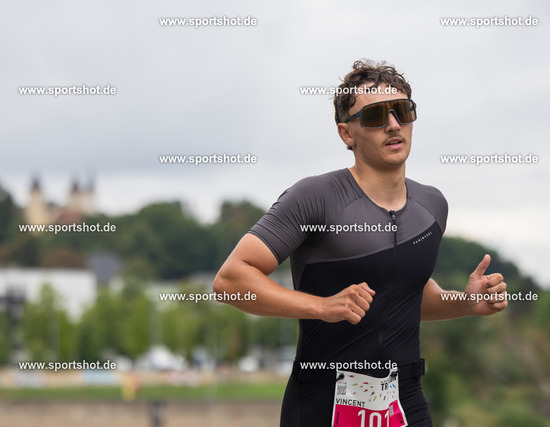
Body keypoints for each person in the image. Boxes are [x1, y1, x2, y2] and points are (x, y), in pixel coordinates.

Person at [213, 59, 508, 427]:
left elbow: (406, 298)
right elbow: (230, 280)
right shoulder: (315, 197)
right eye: (375, 116)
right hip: (324, 402)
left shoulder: (432, 205)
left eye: (402, 111)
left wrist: (465, 302)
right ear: (346, 134)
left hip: (405, 399)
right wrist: (322, 306)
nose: (393, 124)